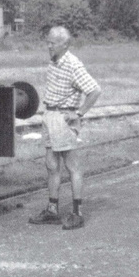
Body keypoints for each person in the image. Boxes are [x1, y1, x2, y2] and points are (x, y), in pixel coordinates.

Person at [29, 26, 101, 230]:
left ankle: (77, 214)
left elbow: (95, 90)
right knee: (51, 165)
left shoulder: (73, 64)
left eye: (52, 43)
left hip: (63, 118)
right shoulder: (54, 61)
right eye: (48, 42)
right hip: (50, 115)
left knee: (72, 166)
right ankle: (52, 210)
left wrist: (79, 113)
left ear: (65, 44)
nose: (48, 46)